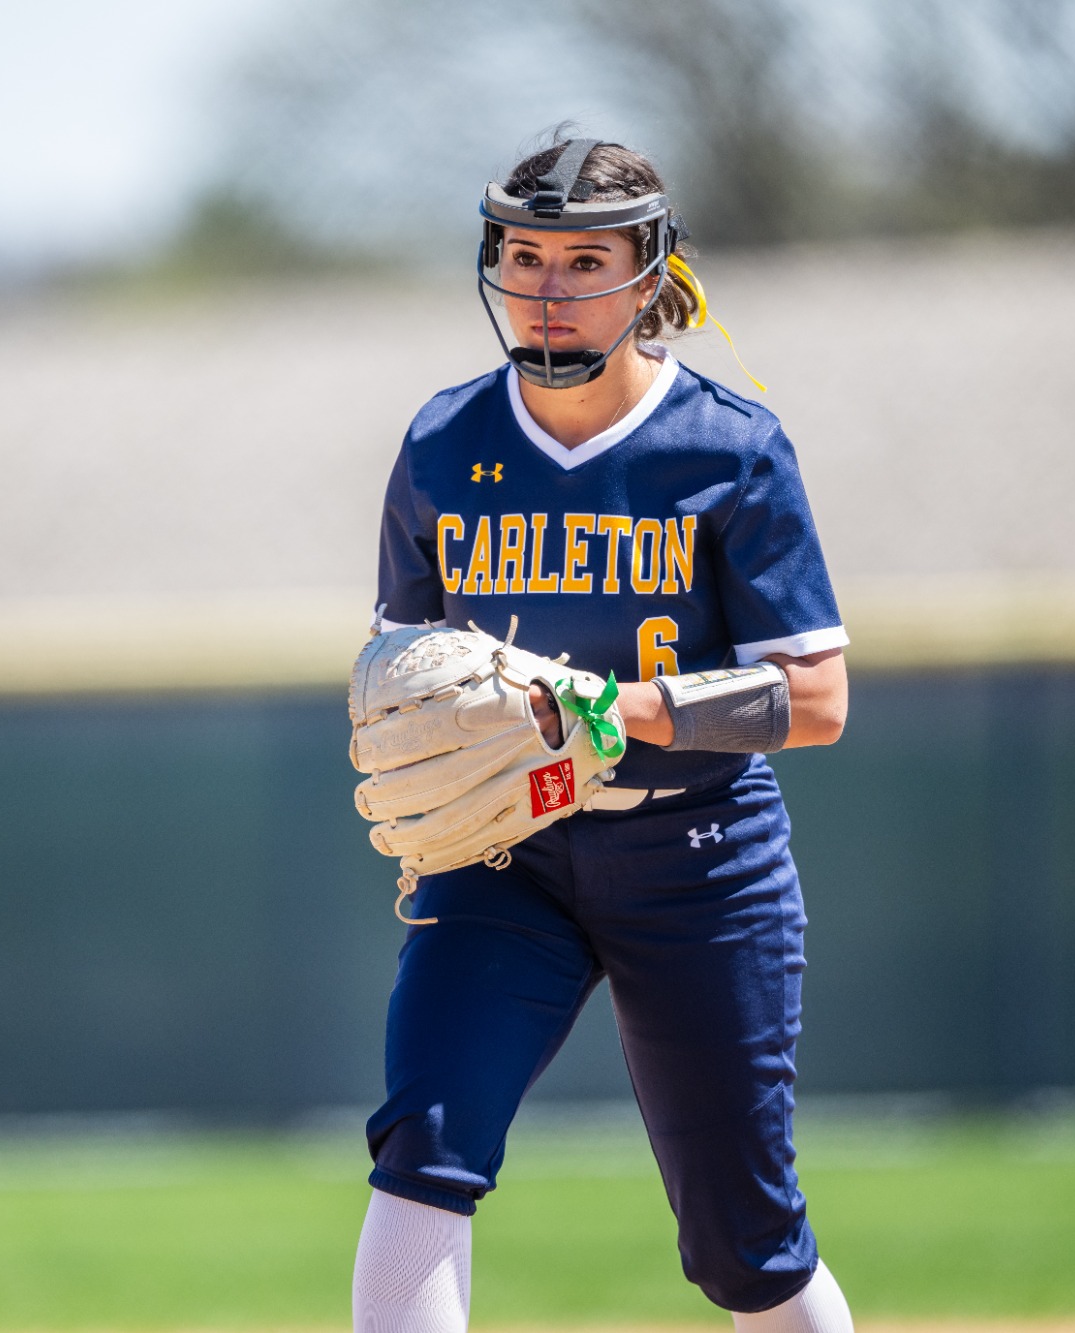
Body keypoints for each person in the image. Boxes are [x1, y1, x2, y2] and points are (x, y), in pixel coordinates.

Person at [351, 137, 854, 1333]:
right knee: (422, 1144)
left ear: (648, 272)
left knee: (746, 1246)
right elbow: (397, 670)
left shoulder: (727, 449)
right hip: (503, 858)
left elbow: (818, 698)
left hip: (696, 857)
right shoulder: (440, 443)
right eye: (524, 255)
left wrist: (609, 710)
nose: (547, 286)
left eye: (585, 259)